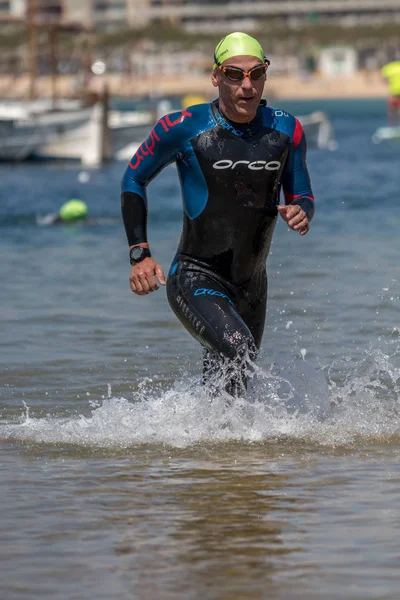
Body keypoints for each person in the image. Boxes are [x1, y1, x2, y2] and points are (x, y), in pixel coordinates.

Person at [121, 32, 315, 398]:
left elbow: (302, 195)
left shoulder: (287, 130)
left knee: (232, 390)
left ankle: (204, 449)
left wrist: (301, 212)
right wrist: (139, 253)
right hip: (195, 276)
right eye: (234, 74)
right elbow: (134, 178)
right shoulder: (183, 127)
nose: (247, 85)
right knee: (239, 350)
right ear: (215, 77)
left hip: (252, 285)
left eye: (257, 74)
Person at [381, 60, 400, 126]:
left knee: (391, 110)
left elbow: (384, 79)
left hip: (393, 91)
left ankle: (390, 126)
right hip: (396, 91)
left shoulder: (389, 68)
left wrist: (389, 83)